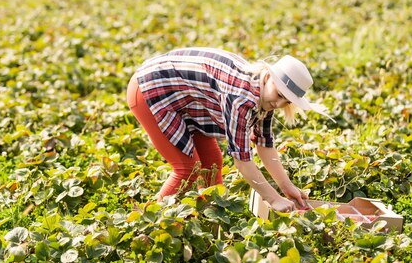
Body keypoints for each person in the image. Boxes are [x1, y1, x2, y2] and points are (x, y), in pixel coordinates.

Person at [126, 47, 331, 213]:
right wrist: (273, 198)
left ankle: (209, 214)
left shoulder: (265, 97)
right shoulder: (241, 97)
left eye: (286, 101)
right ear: (268, 76)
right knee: (187, 169)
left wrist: (286, 187)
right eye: (279, 95)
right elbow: (242, 161)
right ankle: (147, 220)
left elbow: (264, 145)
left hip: (186, 98)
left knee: (212, 161)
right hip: (150, 89)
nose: (278, 104)